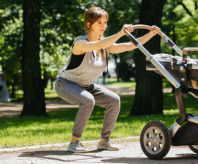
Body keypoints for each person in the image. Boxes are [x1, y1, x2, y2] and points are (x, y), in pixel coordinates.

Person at [55, 6, 160, 153]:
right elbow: (98, 44)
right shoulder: (80, 43)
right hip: (65, 84)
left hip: (85, 85)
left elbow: (130, 45)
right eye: (100, 23)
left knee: (114, 100)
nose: (104, 26)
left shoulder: (105, 47)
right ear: (88, 24)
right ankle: (74, 143)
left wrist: (151, 34)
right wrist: (121, 32)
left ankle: (104, 141)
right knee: (88, 100)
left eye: (105, 22)